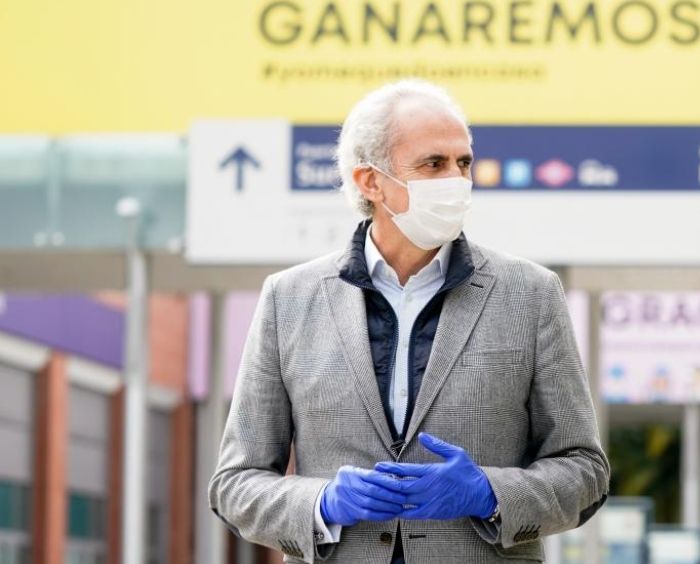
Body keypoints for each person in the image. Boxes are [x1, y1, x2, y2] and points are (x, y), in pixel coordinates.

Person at [207, 79, 610, 563]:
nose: (456, 179)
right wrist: (320, 503)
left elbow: (585, 470)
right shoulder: (288, 299)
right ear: (370, 181)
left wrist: (490, 492)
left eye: (463, 163)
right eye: (433, 164)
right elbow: (235, 484)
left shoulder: (531, 294)